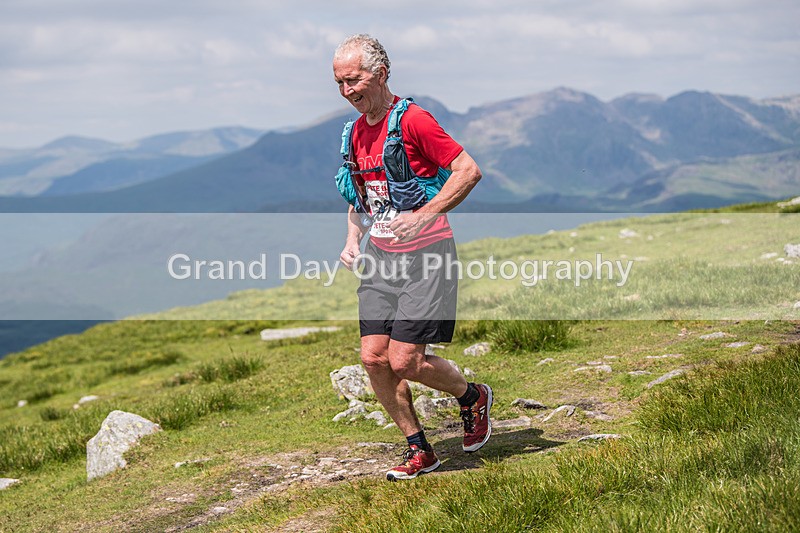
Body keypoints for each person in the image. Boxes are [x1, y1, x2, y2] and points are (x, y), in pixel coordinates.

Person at [332, 34, 492, 481]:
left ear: (381, 73)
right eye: (339, 83)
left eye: (354, 80)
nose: (347, 92)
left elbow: (468, 170)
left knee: (406, 360)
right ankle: (419, 448)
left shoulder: (414, 120)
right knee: (373, 357)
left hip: (428, 257)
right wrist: (351, 239)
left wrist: (424, 215)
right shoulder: (354, 132)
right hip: (380, 259)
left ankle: (472, 397)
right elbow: (359, 195)